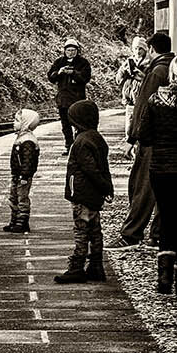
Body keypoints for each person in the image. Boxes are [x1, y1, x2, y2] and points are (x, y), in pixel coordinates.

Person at [135, 51, 177, 300]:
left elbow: (144, 136)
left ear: (172, 73)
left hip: (161, 171)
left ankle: (164, 280)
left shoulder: (155, 99)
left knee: (168, 219)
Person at [116, 30, 173, 247]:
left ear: (151, 49)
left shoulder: (157, 71)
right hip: (170, 139)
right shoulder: (172, 68)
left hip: (152, 139)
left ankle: (131, 233)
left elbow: (143, 106)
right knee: (164, 190)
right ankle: (158, 234)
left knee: (142, 186)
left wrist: (132, 138)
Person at [54, 99, 114, 283]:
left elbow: (90, 169)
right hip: (94, 195)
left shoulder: (81, 142)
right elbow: (103, 167)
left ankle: (77, 267)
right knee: (95, 230)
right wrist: (107, 187)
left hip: (82, 194)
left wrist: (103, 186)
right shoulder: (97, 138)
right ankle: (96, 266)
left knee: (81, 231)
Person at [47, 38, 93, 151]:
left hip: (78, 97)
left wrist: (73, 73)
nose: (71, 53)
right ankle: (68, 145)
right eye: (68, 50)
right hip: (63, 98)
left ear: (77, 51)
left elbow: (85, 78)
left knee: (79, 123)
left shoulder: (83, 62)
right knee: (65, 124)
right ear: (64, 51)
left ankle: (79, 145)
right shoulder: (59, 62)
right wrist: (59, 72)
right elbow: (51, 77)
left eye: (73, 50)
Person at [2, 108, 40, 233]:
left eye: (17, 120)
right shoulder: (21, 138)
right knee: (13, 197)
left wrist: (25, 175)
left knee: (22, 198)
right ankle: (14, 220)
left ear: (26, 123)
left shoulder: (28, 141)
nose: (14, 123)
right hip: (16, 175)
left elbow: (28, 161)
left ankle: (22, 221)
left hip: (23, 177)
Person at [116, 36, 148, 152]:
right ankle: (131, 151)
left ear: (145, 50)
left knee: (141, 127)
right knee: (129, 127)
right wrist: (123, 72)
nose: (138, 51)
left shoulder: (149, 64)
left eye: (140, 49)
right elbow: (118, 80)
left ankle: (138, 152)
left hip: (142, 100)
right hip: (129, 100)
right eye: (135, 48)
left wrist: (141, 75)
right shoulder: (128, 62)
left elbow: (149, 82)